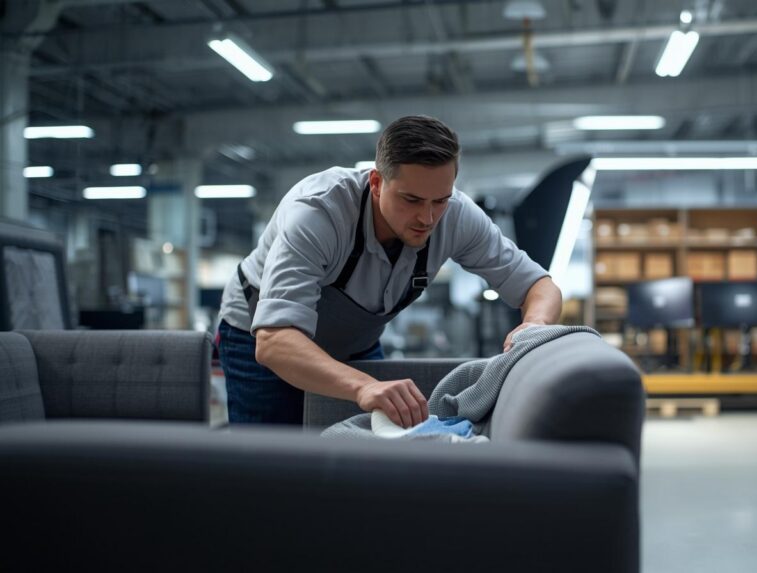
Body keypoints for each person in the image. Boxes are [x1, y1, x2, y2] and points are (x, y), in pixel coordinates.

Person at [216, 115, 562, 427]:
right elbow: (274, 341)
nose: (427, 218)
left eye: (439, 200)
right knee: (273, 466)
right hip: (259, 334)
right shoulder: (318, 213)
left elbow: (538, 284)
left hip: (354, 343)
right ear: (377, 183)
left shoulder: (456, 215)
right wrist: (363, 386)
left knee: (367, 454)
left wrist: (534, 327)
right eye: (411, 200)